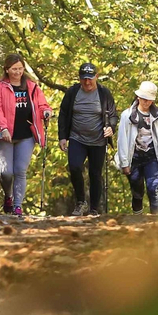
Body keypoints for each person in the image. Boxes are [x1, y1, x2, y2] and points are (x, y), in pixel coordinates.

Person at [0, 53, 52, 216]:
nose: (17, 72)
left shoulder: (32, 87)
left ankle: (17, 205)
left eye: (20, 69)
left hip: (26, 135)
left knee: (20, 170)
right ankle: (8, 195)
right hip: (5, 136)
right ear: (7, 69)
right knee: (6, 172)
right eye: (14, 69)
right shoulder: (0, 88)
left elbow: (43, 104)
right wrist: (3, 128)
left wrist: (46, 112)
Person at [57, 63, 117, 216]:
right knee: (75, 167)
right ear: (79, 78)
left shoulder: (104, 93)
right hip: (77, 138)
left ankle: (94, 209)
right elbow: (63, 114)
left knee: (95, 173)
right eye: (84, 79)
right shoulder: (73, 92)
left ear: (96, 77)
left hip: (98, 140)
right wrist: (62, 137)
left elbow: (113, 115)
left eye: (90, 79)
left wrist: (111, 128)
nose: (87, 82)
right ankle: (81, 202)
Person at [115, 80, 158, 215]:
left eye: (148, 99)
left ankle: (157, 220)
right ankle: (138, 218)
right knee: (137, 191)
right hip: (134, 157)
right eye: (143, 98)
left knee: (153, 188)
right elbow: (123, 141)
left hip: (152, 156)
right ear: (138, 97)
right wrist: (125, 163)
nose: (145, 102)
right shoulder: (127, 116)